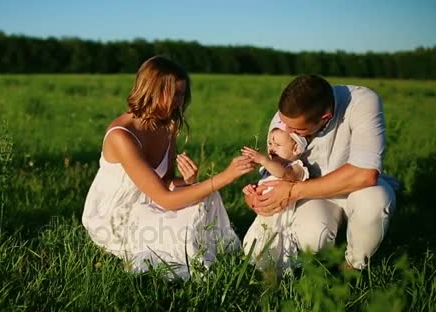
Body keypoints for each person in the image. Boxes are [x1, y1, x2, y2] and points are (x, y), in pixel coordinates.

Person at [82, 56, 254, 279]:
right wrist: (224, 177)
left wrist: (188, 182)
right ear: (150, 90)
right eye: (172, 95)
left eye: (182, 95)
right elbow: (165, 198)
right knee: (202, 199)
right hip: (117, 218)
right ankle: (199, 263)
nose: (178, 103)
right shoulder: (121, 137)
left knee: (205, 196)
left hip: (151, 201)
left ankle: (218, 255)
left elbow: (165, 183)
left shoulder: (168, 125)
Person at [244, 74, 397, 270]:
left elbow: (365, 174)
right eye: (284, 124)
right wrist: (258, 197)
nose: (286, 130)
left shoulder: (363, 102)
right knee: (312, 239)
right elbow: (276, 173)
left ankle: (352, 267)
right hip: (314, 195)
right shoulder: (286, 120)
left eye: (297, 129)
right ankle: (336, 244)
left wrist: (293, 192)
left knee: (374, 203)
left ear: (325, 118)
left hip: (358, 188)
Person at [241, 128, 309, 275]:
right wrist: (252, 191)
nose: (271, 148)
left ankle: (278, 281)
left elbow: (284, 174)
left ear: (296, 148)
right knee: (259, 248)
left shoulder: (296, 167)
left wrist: (263, 160)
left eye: (277, 145)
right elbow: (263, 185)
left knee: (278, 252)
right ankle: (260, 276)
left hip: (282, 223)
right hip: (264, 219)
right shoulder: (267, 170)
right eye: (270, 144)